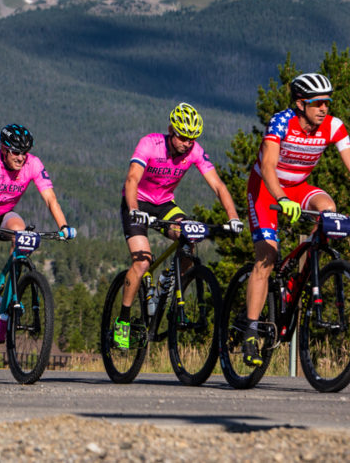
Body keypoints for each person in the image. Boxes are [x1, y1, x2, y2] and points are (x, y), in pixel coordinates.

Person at [243, 73, 350, 367]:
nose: (324, 108)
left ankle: (303, 272)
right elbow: (267, 166)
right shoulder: (281, 122)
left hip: (299, 186)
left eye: (328, 102)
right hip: (267, 187)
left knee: (329, 209)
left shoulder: (334, 127)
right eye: (317, 103)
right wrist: (281, 199)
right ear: (301, 103)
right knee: (267, 256)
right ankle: (250, 331)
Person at [116, 103, 243, 349]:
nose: (187, 143)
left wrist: (233, 218)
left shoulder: (194, 151)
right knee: (142, 261)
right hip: (137, 202)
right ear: (170, 131)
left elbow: (218, 186)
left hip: (165, 205)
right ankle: (123, 320)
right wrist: (133, 211)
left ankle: (172, 286)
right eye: (183, 138)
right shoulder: (150, 144)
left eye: (192, 139)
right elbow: (132, 179)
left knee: (190, 237)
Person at [0, 123, 77, 366]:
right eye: (15, 152)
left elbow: (50, 198)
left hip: (4, 214)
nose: (21, 157)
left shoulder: (33, 164)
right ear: (4, 149)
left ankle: (4, 306)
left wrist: (64, 226)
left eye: (25, 152)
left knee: (22, 235)